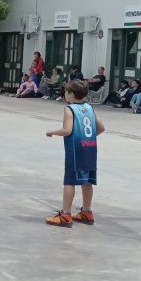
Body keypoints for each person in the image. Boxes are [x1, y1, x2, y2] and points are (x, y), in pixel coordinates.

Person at [45, 80, 105, 227]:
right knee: (87, 180)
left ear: (71, 94)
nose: (65, 94)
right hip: (90, 148)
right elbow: (101, 128)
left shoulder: (69, 109)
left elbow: (68, 130)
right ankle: (87, 212)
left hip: (76, 149)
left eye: (66, 92)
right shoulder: (90, 107)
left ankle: (65, 215)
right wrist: (88, 137)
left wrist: (52, 131)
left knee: (70, 180)